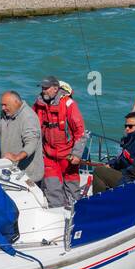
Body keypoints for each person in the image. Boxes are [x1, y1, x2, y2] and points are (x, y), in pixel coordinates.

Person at [33, 76, 87, 209]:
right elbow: (33, 127)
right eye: (42, 88)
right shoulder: (38, 105)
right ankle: (58, 216)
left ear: (55, 89)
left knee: (72, 188)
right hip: (49, 155)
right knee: (52, 189)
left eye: (46, 88)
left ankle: (76, 213)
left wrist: (77, 154)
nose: (43, 90)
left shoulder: (69, 104)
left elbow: (80, 132)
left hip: (68, 156)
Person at [90, 111, 135, 194]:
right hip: (132, 177)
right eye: (126, 126)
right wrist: (111, 165)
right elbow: (123, 158)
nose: (127, 128)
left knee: (99, 171)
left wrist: (122, 177)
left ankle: (99, 201)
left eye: (130, 126)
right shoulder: (133, 140)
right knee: (105, 168)